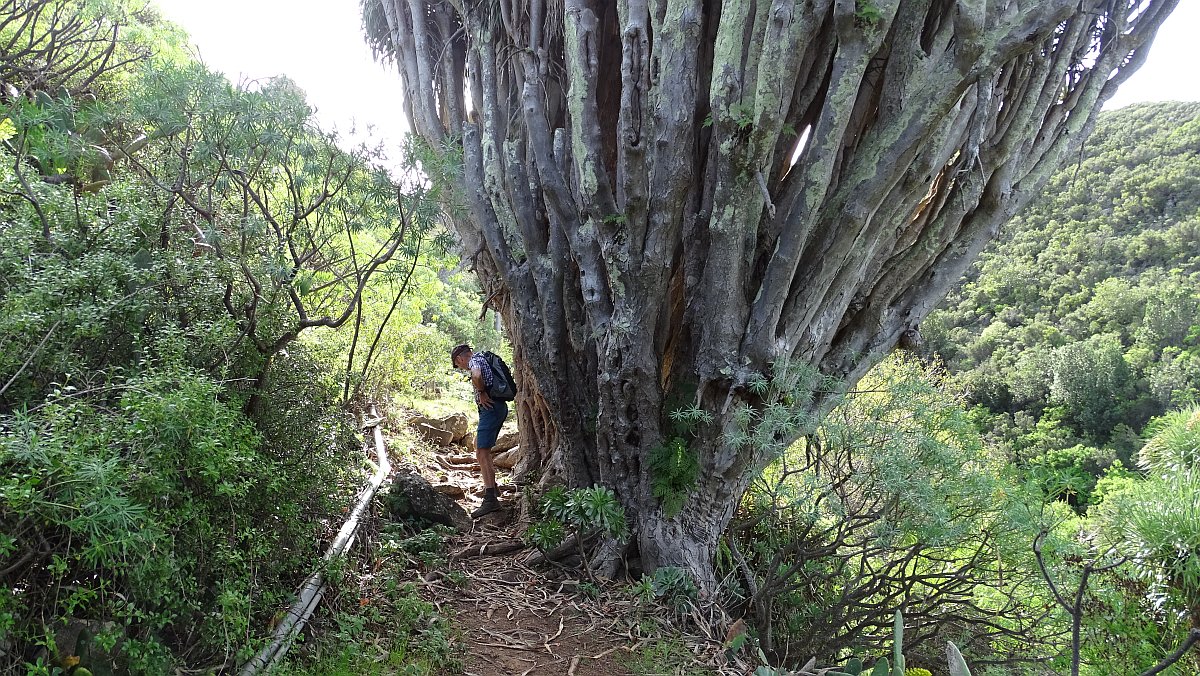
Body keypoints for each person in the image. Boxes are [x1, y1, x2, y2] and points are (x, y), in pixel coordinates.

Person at [451, 343, 508, 518]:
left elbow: (476, 375)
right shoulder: (482, 358)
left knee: (481, 453)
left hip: (490, 408)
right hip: (495, 408)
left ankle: (490, 500)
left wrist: (482, 392)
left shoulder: (475, 361)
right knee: (484, 451)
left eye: (457, 365)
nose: (460, 368)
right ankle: (493, 490)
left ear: (460, 359)